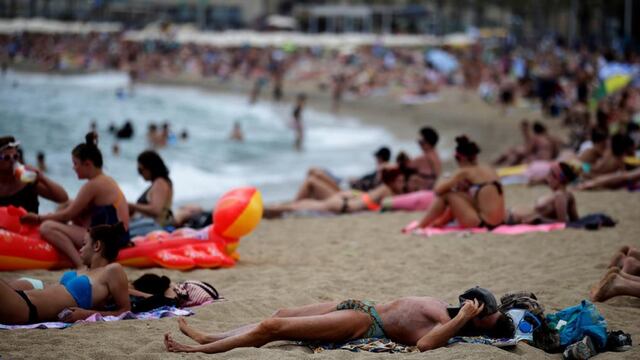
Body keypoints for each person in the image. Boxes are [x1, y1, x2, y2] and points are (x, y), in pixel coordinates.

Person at [164, 295, 514, 354]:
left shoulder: (448, 326)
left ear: (478, 324)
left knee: (272, 329)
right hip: (360, 303)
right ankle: (210, 335)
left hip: (365, 322)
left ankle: (199, 349)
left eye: (482, 312)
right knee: (282, 313)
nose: (475, 307)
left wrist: (463, 320)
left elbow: (424, 346)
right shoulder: (448, 310)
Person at [20, 133, 130, 269]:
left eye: (75, 163)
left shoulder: (93, 185)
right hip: (118, 236)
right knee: (66, 204)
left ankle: (79, 264)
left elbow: (67, 215)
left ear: (88, 164)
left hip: (110, 241)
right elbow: (68, 207)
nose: (73, 168)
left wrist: (37, 218)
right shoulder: (105, 180)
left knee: (46, 227)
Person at [0, 223, 131, 324]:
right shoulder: (85, 271)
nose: (80, 249)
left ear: (97, 246)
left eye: (84, 244)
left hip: (28, 308)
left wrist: (86, 314)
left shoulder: (112, 270)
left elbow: (125, 310)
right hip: (23, 298)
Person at [411, 136, 505, 230]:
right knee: (459, 193)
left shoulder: (464, 171)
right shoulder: (487, 168)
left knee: (447, 195)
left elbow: (438, 190)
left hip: (484, 223)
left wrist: (446, 179)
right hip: (499, 221)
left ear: (461, 158)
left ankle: (421, 226)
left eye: (456, 158)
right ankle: (439, 223)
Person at [264, 167, 406, 217]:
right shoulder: (386, 190)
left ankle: (266, 210)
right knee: (294, 207)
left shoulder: (384, 190)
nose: (402, 184)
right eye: (399, 181)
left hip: (342, 203)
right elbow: (391, 204)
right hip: (342, 204)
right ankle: (266, 210)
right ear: (392, 181)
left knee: (295, 206)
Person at [0, 137, 68, 213]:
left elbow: (63, 198)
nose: (12, 161)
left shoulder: (27, 180)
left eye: (15, 156)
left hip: (29, 224)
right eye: (7, 158)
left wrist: (41, 177)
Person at [505, 162, 579, 224]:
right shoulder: (568, 195)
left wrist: (539, 220)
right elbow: (575, 219)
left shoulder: (559, 195)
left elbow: (562, 222)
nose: (547, 179)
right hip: (511, 215)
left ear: (557, 179)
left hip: (513, 218)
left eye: (549, 175)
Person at [128, 150, 173, 237]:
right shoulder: (160, 182)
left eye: (140, 170)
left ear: (150, 168)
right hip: (150, 225)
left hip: (154, 227)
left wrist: (131, 205)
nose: (140, 174)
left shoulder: (160, 183)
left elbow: (155, 210)